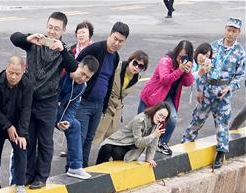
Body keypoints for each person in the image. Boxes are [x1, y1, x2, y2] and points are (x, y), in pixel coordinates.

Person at [10, 12, 78, 188]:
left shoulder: (65, 50)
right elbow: (14, 38)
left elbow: (73, 67)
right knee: (29, 138)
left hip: (48, 101)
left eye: (56, 29)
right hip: (29, 98)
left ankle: (41, 177)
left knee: (45, 140)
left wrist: (62, 50)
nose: (52, 32)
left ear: (64, 30)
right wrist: (28, 38)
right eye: (50, 27)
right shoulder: (36, 42)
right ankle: (27, 174)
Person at [182, 17, 245, 170]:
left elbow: (241, 75)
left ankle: (221, 152)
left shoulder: (240, 52)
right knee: (197, 120)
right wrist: (199, 89)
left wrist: (230, 87)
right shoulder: (213, 46)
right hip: (207, 89)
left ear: (239, 32)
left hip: (223, 93)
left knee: (222, 124)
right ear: (225, 29)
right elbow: (200, 66)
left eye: (234, 31)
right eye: (229, 30)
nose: (230, 33)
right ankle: (184, 147)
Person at [75, 22, 130, 167]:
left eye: (121, 41)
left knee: (89, 138)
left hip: (99, 104)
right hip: (84, 101)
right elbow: (75, 63)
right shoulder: (95, 48)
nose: (116, 43)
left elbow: (110, 79)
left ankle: (83, 166)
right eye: (115, 38)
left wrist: (105, 104)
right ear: (110, 35)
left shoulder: (116, 57)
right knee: (79, 138)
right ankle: (73, 166)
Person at [0, 57, 33, 193]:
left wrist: (22, 133)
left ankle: (20, 184)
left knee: (21, 148)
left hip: (16, 125)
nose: (13, 76)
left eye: (17, 74)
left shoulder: (27, 85)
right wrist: (7, 125)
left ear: (23, 72)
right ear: (6, 69)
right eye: (10, 72)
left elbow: (26, 109)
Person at [138, 41, 194, 155]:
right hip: (152, 96)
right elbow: (164, 79)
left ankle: (162, 142)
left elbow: (188, 83)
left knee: (172, 118)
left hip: (168, 97)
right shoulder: (166, 60)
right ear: (176, 52)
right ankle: (136, 146)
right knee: (141, 123)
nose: (180, 59)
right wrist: (180, 70)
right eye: (179, 56)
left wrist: (187, 72)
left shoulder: (184, 65)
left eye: (184, 57)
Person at [92, 51, 148, 149]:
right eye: (135, 63)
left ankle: (104, 158)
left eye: (140, 66)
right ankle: (78, 155)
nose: (136, 67)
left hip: (117, 108)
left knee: (111, 136)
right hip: (105, 103)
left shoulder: (137, 77)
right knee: (94, 133)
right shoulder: (117, 67)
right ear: (130, 60)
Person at [54, 56, 99, 179]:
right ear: (78, 65)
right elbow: (51, 98)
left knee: (75, 125)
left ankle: (74, 167)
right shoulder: (62, 73)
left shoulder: (82, 86)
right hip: (46, 107)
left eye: (87, 77)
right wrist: (58, 118)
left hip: (59, 112)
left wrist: (66, 121)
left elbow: (73, 106)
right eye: (82, 73)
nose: (83, 78)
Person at [96, 102, 169, 165]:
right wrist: (153, 135)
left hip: (131, 149)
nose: (161, 119)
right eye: (160, 115)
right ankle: (98, 166)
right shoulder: (140, 120)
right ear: (155, 111)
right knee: (108, 148)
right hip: (120, 142)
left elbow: (154, 143)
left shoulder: (158, 124)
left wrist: (149, 158)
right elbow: (138, 142)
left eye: (164, 117)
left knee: (119, 153)